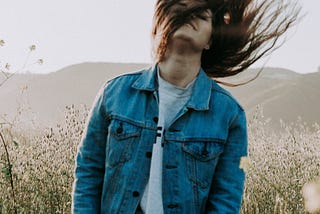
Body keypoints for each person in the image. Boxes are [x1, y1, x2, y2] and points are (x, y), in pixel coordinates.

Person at [72, 0, 300, 213]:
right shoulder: (115, 94)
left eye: (200, 15)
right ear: (161, 22)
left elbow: (226, 197)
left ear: (210, 39)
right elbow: (88, 171)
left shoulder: (229, 115)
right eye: (179, 9)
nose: (187, 18)